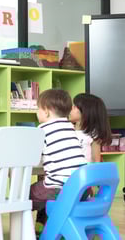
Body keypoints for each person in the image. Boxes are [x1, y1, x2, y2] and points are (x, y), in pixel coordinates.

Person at [31, 89, 87, 234]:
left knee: (23, 196)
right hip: (81, 188)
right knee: (44, 184)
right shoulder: (70, 127)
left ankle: (27, 232)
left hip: (58, 189)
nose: (37, 112)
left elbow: (32, 158)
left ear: (47, 112)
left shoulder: (42, 129)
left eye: (38, 109)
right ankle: (45, 226)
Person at [70, 93, 112, 163]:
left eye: (74, 107)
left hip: (84, 172)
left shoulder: (92, 134)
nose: (71, 108)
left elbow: (96, 160)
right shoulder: (67, 129)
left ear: (85, 112)